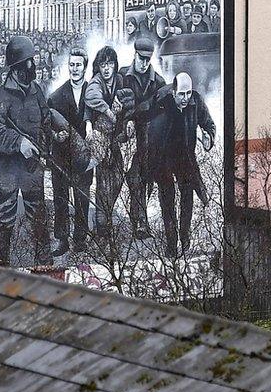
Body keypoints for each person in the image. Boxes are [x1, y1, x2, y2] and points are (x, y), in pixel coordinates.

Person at [0, 36, 56, 266]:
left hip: (32, 169)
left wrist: (51, 140)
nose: (33, 66)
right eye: (28, 62)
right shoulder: (0, 96)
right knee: (4, 218)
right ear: (16, 68)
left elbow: (45, 120)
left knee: (39, 219)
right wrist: (19, 143)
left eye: (33, 61)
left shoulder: (36, 91)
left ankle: (44, 267)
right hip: (7, 171)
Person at [138, 73, 216, 257]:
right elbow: (141, 112)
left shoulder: (195, 101)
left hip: (184, 155)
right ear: (174, 92)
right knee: (167, 198)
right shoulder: (161, 99)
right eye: (181, 94)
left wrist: (209, 137)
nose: (185, 98)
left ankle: (185, 235)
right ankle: (171, 243)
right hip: (163, 155)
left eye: (188, 93)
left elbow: (209, 124)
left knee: (187, 194)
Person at [119, 38, 166, 238]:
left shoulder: (159, 81)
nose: (144, 63)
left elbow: (162, 112)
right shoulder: (122, 76)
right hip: (125, 135)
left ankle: (140, 221)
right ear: (135, 54)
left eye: (148, 59)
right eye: (141, 58)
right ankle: (138, 219)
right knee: (133, 178)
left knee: (143, 178)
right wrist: (126, 121)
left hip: (148, 137)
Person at [84, 46, 133, 240]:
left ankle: (105, 218)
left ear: (114, 65)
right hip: (101, 138)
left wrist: (126, 114)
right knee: (103, 184)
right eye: (103, 64)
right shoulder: (96, 82)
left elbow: (130, 100)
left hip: (116, 139)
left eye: (109, 64)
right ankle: (102, 230)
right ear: (98, 66)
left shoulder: (119, 80)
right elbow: (91, 96)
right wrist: (109, 111)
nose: (106, 69)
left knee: (119, 178)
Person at [47, 48, 92, 256]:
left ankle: (81, 239)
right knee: (60, 198)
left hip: (83, 157)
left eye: (78, 65)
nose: (75, 69)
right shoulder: (56, 97)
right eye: (72, 65)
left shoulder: (93, 93)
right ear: (68, 67)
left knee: (82, 196)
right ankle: (62, 239)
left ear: (85, 67)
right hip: (61, 157)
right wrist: (57, 136)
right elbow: (47, 126)